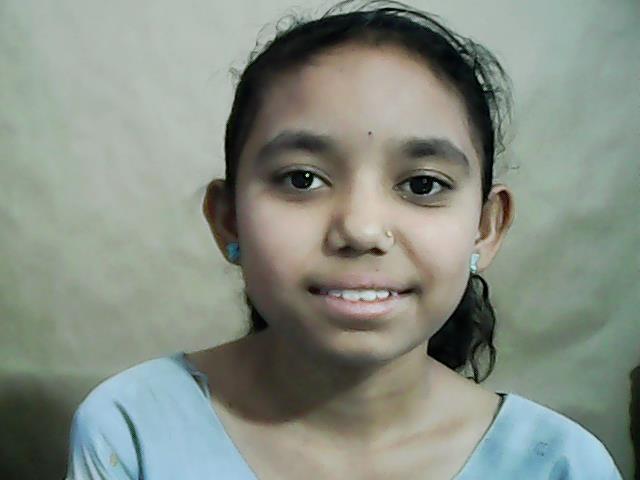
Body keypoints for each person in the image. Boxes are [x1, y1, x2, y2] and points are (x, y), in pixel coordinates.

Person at [64, 1, 623, 478]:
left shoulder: (561, 463)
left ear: (485, 226)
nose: (361, 229)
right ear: (229, 219)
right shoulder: (134, 428)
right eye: (302, 179)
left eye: (423, 185)